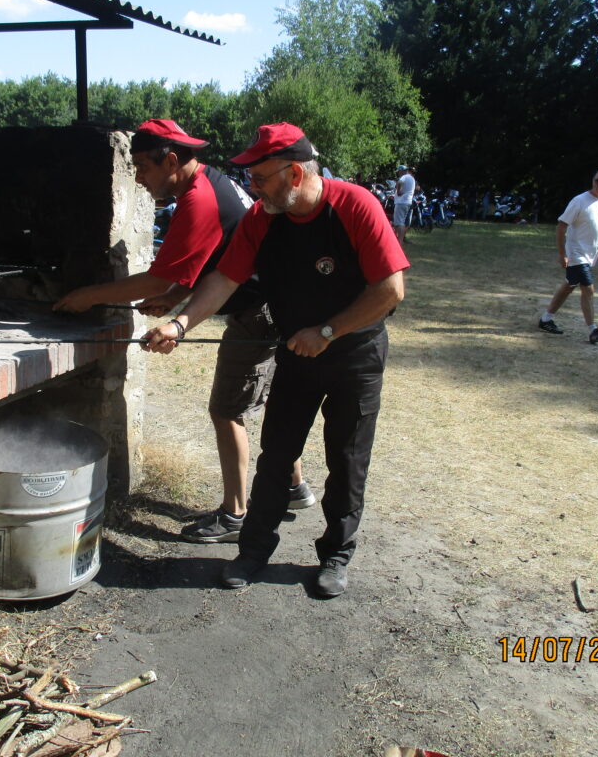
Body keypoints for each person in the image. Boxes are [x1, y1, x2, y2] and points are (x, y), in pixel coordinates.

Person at [143, 123, 409, 598]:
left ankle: (335, 558)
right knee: (276, 456)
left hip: (355, 354)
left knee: (347, 462)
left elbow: (391, 291)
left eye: (260, 178)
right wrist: (180, 325)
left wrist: (327, 332)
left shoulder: (354, 205)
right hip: (297, 354)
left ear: (293, 175)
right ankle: (252, 551)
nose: (252, 187)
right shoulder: (263, 219)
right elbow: (225, 279)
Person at [53, 119, 312, 543]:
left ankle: (235, 516)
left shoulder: (198, 200)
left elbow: (157, 280)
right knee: (254, 400)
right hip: (266, 301)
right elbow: (206, 258)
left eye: (142, 167)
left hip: (259, 309)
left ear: (171, 160)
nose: (137, 178)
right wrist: (175, 294)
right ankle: (292, 487)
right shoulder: (208, 183)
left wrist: (90, 295)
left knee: (227, 410)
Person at [538, 168, 598, 344]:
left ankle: (545, 319)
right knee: (588, 288)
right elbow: (561, 226)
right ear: (593, 180)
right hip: (576, 254)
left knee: (569, 285)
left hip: (589, 256)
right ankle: (593, 330)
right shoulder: (579, 201)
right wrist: (562, 254)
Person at [393, 164, 416, 242]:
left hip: (401, 202)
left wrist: (398, 191)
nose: (398, 173)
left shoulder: (404, 176)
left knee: (398, 223)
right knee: (401, 221)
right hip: (407, 202)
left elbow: (399, 183)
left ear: (402, 171)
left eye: (399, 172)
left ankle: (399, 241)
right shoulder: (412, 178)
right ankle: (399, 240)